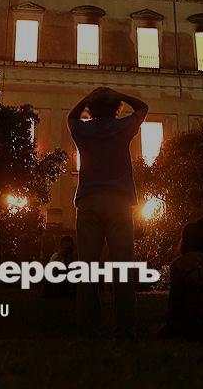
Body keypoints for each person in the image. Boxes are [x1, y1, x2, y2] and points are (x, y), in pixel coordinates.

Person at [68, 86, 148, 337]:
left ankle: (88, 325)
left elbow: (71, 117)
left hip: (89, 200)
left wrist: (87, 96)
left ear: (91, 109)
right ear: (116, 108)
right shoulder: (122, 127)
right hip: (118, 201)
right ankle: (124, 325)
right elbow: (142, 108)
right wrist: (119, 94)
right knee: (123, 265)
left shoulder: (83, 130)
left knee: (87, 266)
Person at [158, 219, 203, 341]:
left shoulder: (179, 264)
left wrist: (168, 320)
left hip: (190, 324)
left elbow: (175, 301)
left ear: (185, 240)